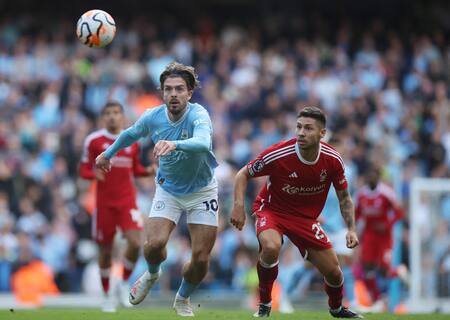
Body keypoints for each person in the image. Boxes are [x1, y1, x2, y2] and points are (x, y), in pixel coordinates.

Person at [95, 62, 219, 317]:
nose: (173, 94)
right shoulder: (153, 116)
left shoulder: (198, 114)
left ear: (189, 92)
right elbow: (131, 134)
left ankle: (182, 297)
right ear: (162, 93)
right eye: (168, 89)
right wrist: (107, 154)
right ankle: (152, 274)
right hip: (169, 190)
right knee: (153, 245)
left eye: (179, 89)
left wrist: (175, 145)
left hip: (202, 191)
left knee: (201, 258)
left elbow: (204, 142)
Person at [230, 106, 363, 318]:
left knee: (335, 273)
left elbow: (345, 198)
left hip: (305, 219)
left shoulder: (333, 160)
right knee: (272, 246)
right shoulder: (279, 153)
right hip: (272, 211)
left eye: (308, 128)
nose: (301, 132)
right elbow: (242, 174)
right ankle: (265, 303)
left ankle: (337, 309)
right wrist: (238, 206)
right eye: (299, 127)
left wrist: (351, 229)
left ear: (322, 133)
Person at [79, 101, 155, 312]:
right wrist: (93, 173)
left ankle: (122, 284)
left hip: (127, 202)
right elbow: (83, 169)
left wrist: (148, 171)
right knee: (105, 251)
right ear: (104, 117)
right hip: (104, 205)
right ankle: (106, 296)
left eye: (116, 113)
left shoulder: (132, 140)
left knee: (134, 241)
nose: (112, 116)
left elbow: (135, 169)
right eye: (108, 113)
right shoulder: (93, 141)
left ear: (122, 116)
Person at [355, 164, 404, 311]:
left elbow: (399, 212)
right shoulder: (361, 195)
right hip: (369, 235)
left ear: (378, 177)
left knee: (383, 269)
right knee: (368, 268)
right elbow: (356, 213)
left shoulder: (386, 193)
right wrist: (353, 228)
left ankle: (400, 271)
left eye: (373, 175)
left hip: (384, 236)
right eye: (368, 175)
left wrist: (387, 225)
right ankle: (378, 299)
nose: (370, 178)